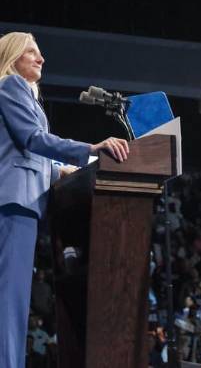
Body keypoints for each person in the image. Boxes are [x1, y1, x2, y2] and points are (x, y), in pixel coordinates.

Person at [0, 31, 129, 368]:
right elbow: (32, 139)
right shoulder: (11, 86)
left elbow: (27, 152)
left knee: (12, 297)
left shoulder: (22, 94)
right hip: (14, 203)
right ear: (12, 56)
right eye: (32, 51)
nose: (41, 58)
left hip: (19, 202)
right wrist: (90, 149)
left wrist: (64, 171)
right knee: (10, 298)